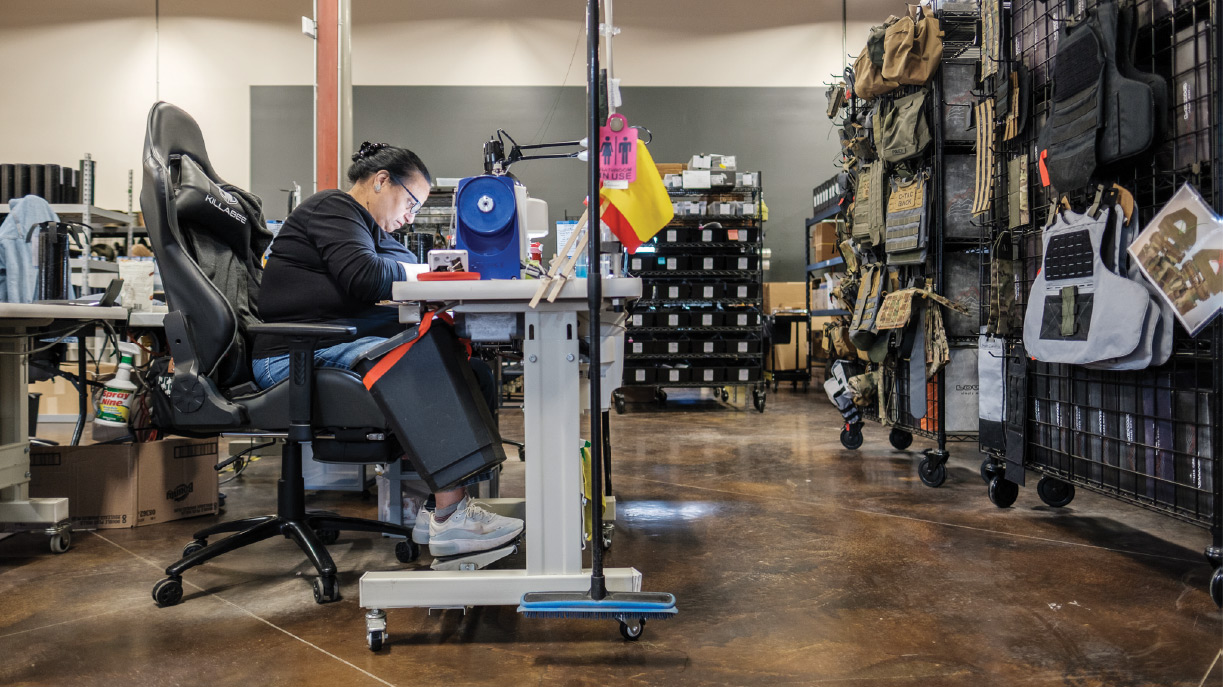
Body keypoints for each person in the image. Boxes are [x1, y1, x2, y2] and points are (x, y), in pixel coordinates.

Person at [251, 141, 523, 558]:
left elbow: (407, 277)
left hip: (330, 344)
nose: (410, 216)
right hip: (293, 354)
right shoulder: (332, 208)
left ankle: (441, 508)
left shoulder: (373, 232)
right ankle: (453, 521)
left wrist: (433, 280)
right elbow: (366, 276)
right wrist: (431, 276)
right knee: (424, 364)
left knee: (472, 369)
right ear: (381, 181)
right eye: (411, 202)